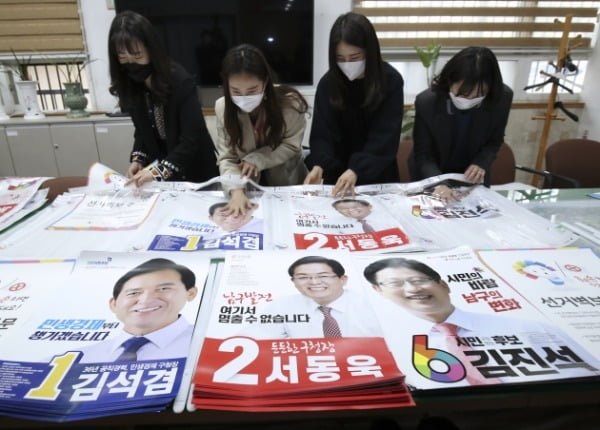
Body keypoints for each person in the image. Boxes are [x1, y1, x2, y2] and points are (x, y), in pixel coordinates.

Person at [363, 257, 599, 386]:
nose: (413, 289)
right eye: (396, 284)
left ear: (443, 285)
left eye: (419, 280)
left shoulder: (531, 328)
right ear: (379, 291)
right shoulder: (387, 346)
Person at [108, 11, 218, 187]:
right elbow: (143, 131)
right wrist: (138, 159)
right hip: (163, 175)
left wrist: (158, 171)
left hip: (196, 171)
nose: (132, 63)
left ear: (152, 51)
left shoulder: (180, 82)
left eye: (137, 55)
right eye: (123, 57)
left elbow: (191, 139)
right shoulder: (132, 85)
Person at [304, 12, 404, 197]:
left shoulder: (390, 81)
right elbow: (322, 134)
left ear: (370, 51)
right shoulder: (328, 83)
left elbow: (384, 138)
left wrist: (357, 169)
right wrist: (319, 165)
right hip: (338, 178)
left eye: (355, 57)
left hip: (378, 176)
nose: (348, 64)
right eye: (340, 59)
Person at [410, 46, 513, 204]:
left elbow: (495, 140)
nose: (470, 99)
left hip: (471, 176)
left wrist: (481, 162)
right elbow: (424, 154)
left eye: (479, 94)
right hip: (432, 172)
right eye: (463, 93)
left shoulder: (501, 98)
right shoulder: (428, 102)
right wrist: (439, 184)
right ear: (450, 80)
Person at [215, 44, 309, 215]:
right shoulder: (223, 108)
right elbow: (227, 157)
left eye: (252, 91)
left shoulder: (290, 106)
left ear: (265, 82)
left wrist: (257, 159)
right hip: (247, 188)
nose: (244, 98)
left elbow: (291, 146)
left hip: (288, 184)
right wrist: (236, 191)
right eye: (235, 91)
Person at [79, 258, 198, 362]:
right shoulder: (80, 357)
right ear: (114, 304)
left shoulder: (205, 346)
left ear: (191, 293)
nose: (145, 300)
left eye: (163, 289)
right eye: (134, 293)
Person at [242, 256, 382, 339]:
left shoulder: (372, 305)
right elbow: (253, 338)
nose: (314, 282)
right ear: (294, 282)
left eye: (323, 276)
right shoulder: (283, 305)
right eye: (303, 277)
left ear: (343, 279)